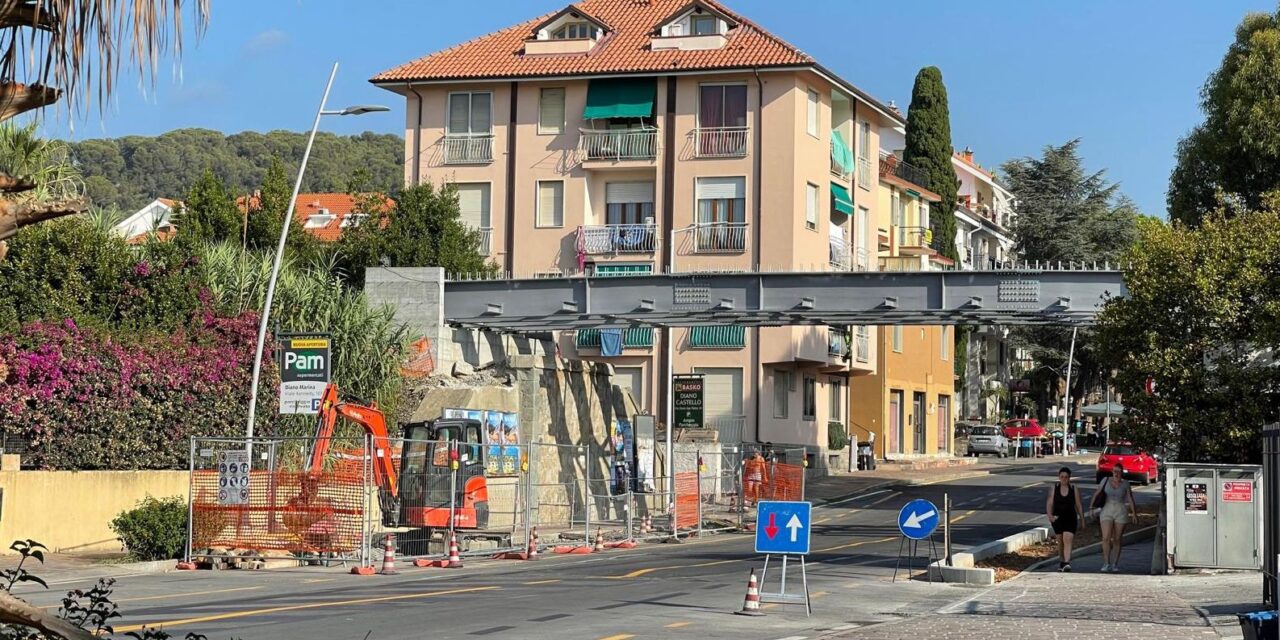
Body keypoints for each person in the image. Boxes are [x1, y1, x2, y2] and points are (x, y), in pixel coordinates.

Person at [1092, 462, 1138, 572]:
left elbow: (1130, 499)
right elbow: (1097, 493)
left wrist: (1134, 513)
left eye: (1118, 471)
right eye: (1114, 471)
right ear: (1112, 472)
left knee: (1117, 539)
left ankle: (1114, 564)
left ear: (1122, 473)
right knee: (1106, 537)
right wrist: (1091, 507)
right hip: (1107, 510)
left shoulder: (1125, 483)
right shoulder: (1105, 481)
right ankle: (1106, 562)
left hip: (1120, 510)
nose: (1116, 473)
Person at [1044, 466, 1084, 571]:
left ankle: (1067, 562)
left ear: (1069, 478)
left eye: (1066, 477)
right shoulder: (1054, 488)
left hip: (1070, 518)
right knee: (1060, 541)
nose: (1064, 479)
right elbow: (1049, 503)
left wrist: (1082, 518)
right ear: (1059, 477)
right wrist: (1050, 516)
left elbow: (1078, 504)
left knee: (1067, 538)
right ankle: (1062, 562)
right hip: (1058, 519)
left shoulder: (1073, 489)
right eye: (1062, 477)